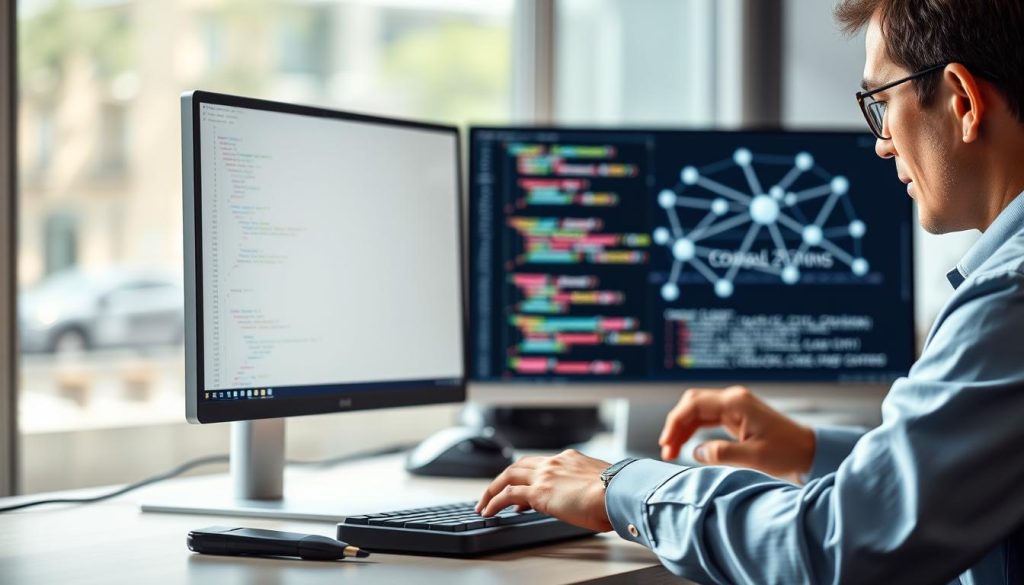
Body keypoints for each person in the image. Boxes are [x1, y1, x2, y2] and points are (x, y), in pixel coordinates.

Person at [475, 0, 1024, 582]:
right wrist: (811, 450)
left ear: (962, 101)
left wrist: (620, 487)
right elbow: (958, 479)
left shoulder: (1006, 297)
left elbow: (834, 546)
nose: (882, 143)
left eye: (883, 101)